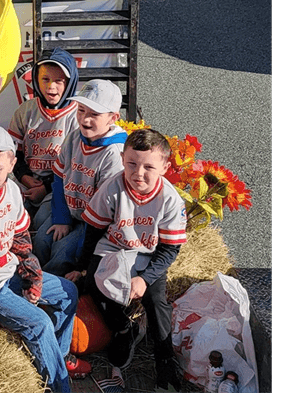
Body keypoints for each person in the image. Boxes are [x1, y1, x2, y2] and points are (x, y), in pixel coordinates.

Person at [0, 125, 88, 393]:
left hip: (9, 271)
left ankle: (57, 356)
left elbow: (19, 235)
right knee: (39, 322)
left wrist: (30, 271)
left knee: (68, 291)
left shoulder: (11, 190)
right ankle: (59, 387)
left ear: (12, 162)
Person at [65, 128, 186, 391]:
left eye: (148, 167)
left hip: (149, 255)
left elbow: (170, 250)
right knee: (93, 287)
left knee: (156, 303)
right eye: (132, 163)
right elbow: (94, 231)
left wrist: (145, 279)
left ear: (164, 167)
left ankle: (164, 363)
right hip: (114, 248)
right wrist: (81, 268)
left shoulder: (170, 200)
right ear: (122, 159)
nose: (138, 173)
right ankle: (123, 328)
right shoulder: (113, 187)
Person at [33, 79, 127, 276]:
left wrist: (83, 251)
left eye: (94, 114)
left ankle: (51, 292)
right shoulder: (75, 136)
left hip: (93, 222)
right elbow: (59, 177)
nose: (85, 119)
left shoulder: (114, 152)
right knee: (41, 239)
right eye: (81, 110)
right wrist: (62, 218)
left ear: (113, 118)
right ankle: (33, 279)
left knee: (63, 254)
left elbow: (104, 210)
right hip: (72, 207)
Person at [7, 48, 79, 221]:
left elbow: (75, 164)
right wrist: (25, 178)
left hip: (58, 187)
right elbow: (12, 153)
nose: (51, 86)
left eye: (59, 81)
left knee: (40, 226)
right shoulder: (26, 110)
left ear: (70, 82)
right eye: (45, 79)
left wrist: (45, 188)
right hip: (26, 182)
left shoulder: (77, 115)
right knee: (9, 218)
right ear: (36, 80)